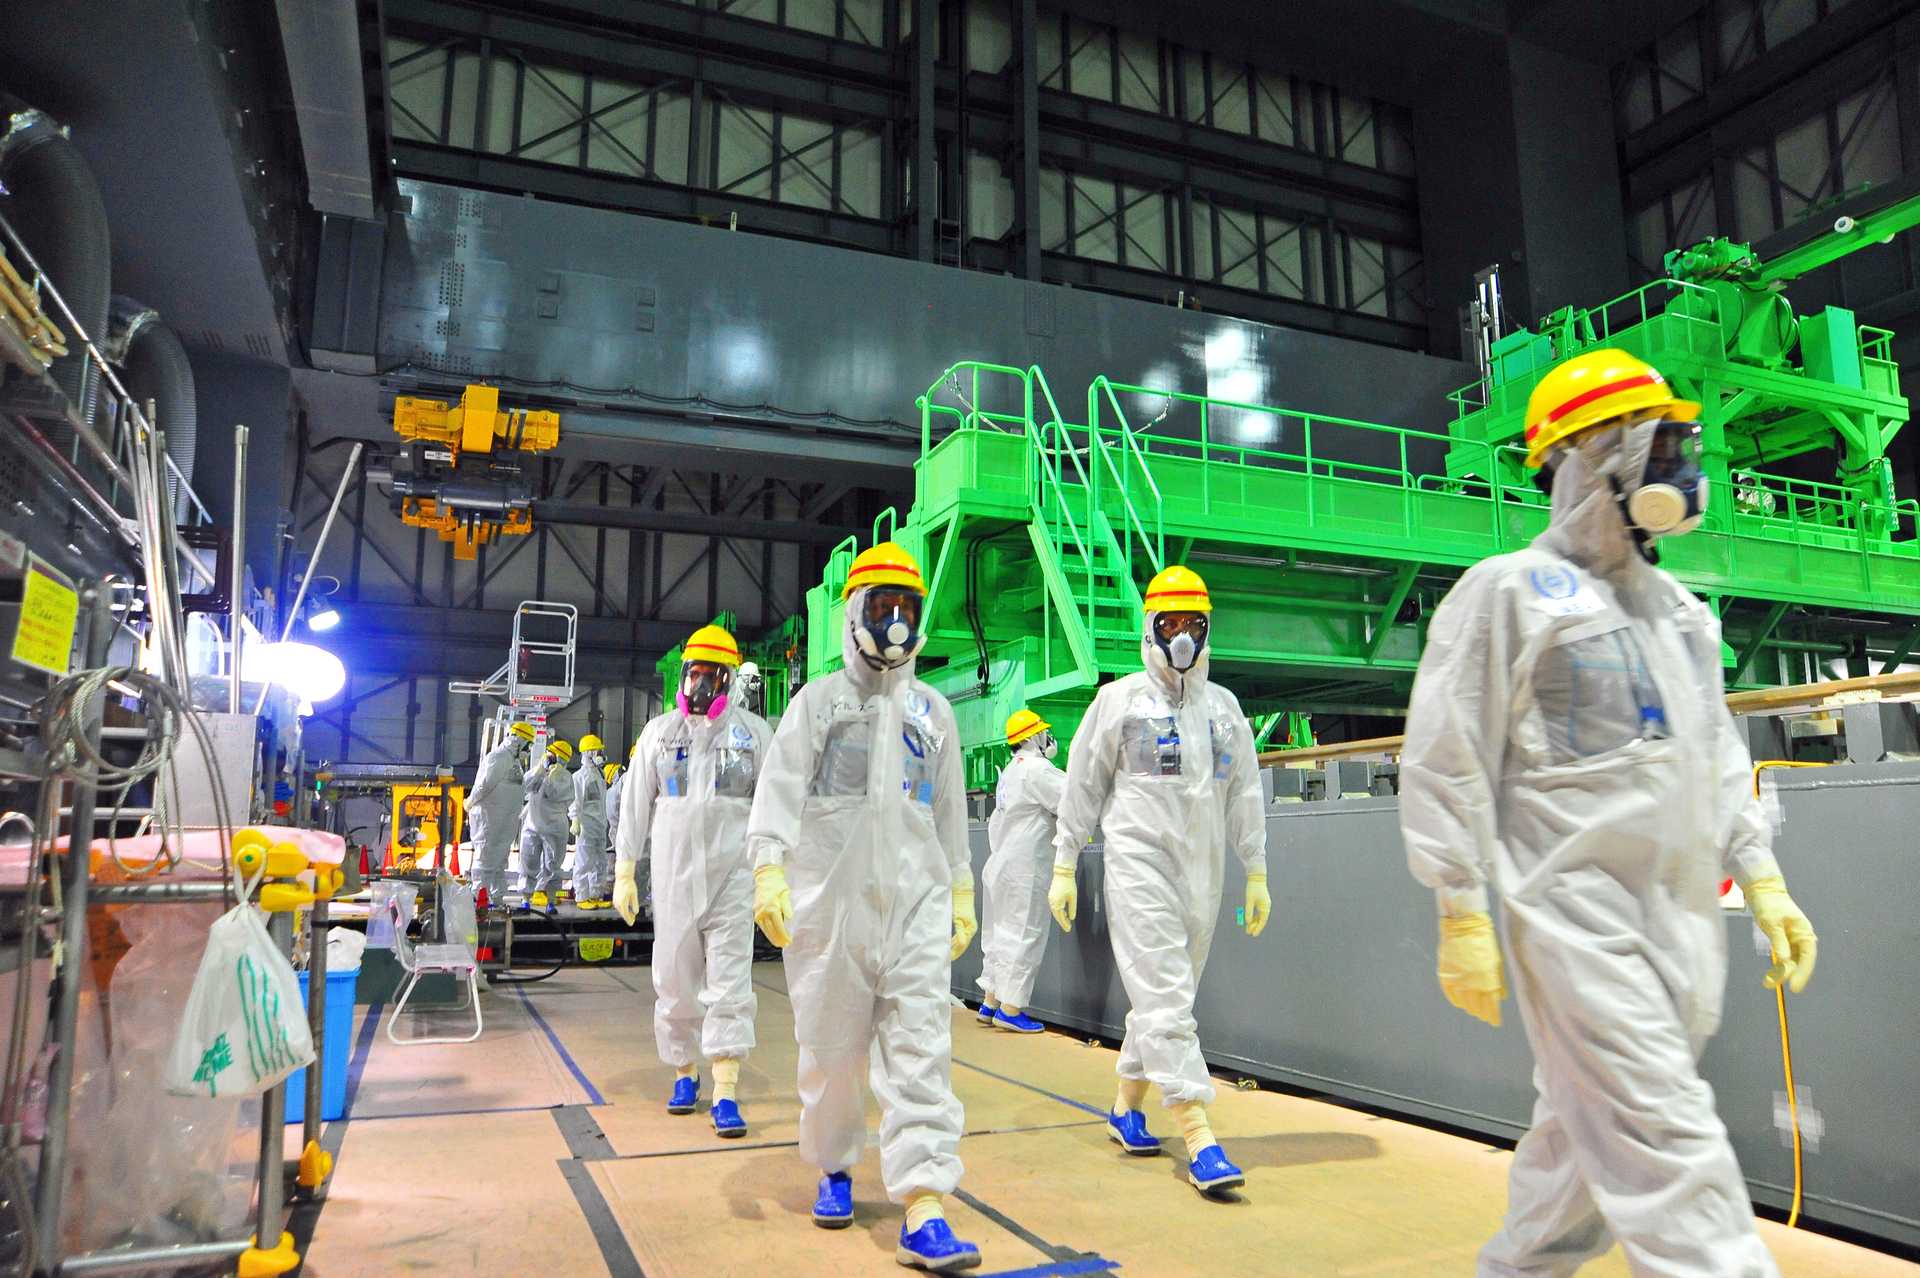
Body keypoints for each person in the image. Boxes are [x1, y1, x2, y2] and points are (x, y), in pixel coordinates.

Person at [1398, 348, 1819, 1277]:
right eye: (1661, 438)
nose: (1682, 461)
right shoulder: (1508, 592)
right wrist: (1460, 907)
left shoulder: (1679, 611)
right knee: (1670, 1151)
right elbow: (1446, 755)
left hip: (1678, 923)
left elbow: (1713, 754)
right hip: (1574, 918)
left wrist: (1765, 877)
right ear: (1595, 452)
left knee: (1579, 1150)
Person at [746, 542, 981, 1272]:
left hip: (913, 904)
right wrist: (768, 872)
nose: (896, 623)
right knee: (834, 1051)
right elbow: (779, 792)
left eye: (907, 609)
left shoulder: (932, 712)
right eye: (883, 607)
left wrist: (962, 887)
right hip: (831, 907)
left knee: (921, 1049)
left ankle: (924, 1203)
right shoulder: (819, 703)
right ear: (855, 613)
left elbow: (947, 811)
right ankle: (836, 1166)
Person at [1048, 564, 1271, 1197]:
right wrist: (1065, 863)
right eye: (1168, 623)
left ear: (1206, 630)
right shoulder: (1118, 702)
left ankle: (1125, 1106)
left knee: (1166, 998)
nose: (1181, 637)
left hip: (1204, 875)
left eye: (1193, 624)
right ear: (1149, 627)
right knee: (1167, 994)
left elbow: (1245, 793)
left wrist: (1255, 870)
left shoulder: (1224, 711)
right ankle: (1199, 1134)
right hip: (1137, 866)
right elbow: (1082, 786)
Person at [614, 625, 772, 1136]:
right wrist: (624, 870)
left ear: (729, 679)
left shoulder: (754, 735)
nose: (701, 683)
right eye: (694, 672)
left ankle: (726, 1087)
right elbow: (636, 804)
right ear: (684, 674)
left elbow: (776, 806)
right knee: (674, 975)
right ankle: (684, 1072)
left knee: (730, 981)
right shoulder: (661, 733)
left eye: (711, 674)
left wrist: (777, 870)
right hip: (675, 875)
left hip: (733, 875)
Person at [976, 709, 1066, 1034]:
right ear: (1031, 738)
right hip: (1025, 865)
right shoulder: (1038, 769)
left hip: (1000, 861)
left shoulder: (1011, 772)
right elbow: (1072, 799)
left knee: (1000, 934)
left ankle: (990, 1002)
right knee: (1025, 932)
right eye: (1043, 731)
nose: (1048, 736)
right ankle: (1012, 1010)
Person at [466, 721, 534, 906]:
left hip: (504, 821)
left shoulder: (514, 762)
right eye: (528, 744)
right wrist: (470, 801)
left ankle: (495, 898)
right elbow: (484, 784)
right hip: (490, 819)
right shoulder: (498, 757)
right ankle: (479, 899)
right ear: (518, 740)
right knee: (486, 860)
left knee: (498, 862)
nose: (529, 749)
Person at [520, 738, 574, 909]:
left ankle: (550, 900)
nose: (548, 756)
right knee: (528, 861)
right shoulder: (539, 770)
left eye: (552, 755)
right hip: (532, 824)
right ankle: (525, 899)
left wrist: (552, 773)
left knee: (552, 865)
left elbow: (553, 793)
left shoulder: (565, 777)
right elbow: (526, 786)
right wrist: (541, 770)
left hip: (554, 827)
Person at [571, 734, 613, 909]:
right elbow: (576, 801)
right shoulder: (579, 777)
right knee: (584, 861)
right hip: (586, 825)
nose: (601, 754)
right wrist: (575, 819)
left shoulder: (598, 775)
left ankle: (596, 894)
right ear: (589, 753)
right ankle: (581, 896)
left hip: (599, 825)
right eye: (598, 750)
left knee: (600, 861)